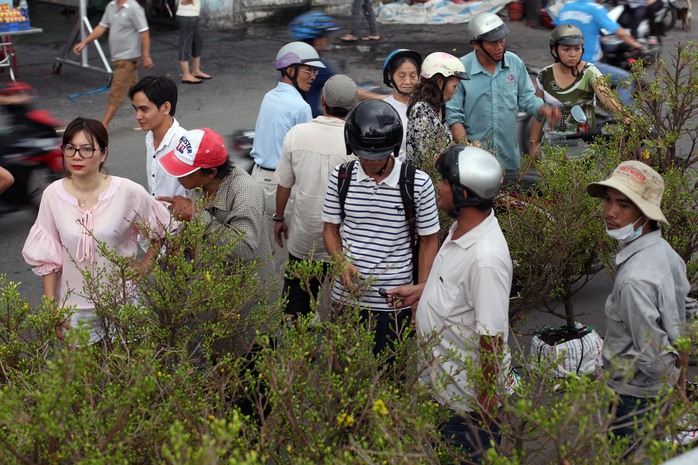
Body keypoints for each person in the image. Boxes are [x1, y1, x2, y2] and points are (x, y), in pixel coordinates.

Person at [387, 146, 512, 463]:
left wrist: (483, 415)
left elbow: (491, 340)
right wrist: (422, 292)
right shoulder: (461, 230)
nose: (437, 186)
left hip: (465, 412)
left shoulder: (486, 260)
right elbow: (457, 292)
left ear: (464, 192)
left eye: (444, 181)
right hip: (441, 393)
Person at [22, 118, 171, 344]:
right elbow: (48, 258)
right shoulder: (52, 194)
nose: (76, 156)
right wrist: (52, 307)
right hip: (75, 307)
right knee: (82, 376)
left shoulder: (128, 191)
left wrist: (144, 266)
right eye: (70, 148)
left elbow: (160, 229)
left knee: (129, 371)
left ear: (103, 154)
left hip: (123, 301)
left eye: (87, 149)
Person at [322, 99, 440, 355]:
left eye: (378, 155)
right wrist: (341, 262)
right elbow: (330, 230)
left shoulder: (417, 183)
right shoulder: (340, 177)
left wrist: (421, 294)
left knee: (390, 377)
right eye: (363, 155)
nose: (370, 161)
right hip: (345, 300)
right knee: (345, 376)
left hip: (394, 303)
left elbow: (429, 241)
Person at [587, 161, 690, 440]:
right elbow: (686, 315)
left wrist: (670, 386)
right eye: (608, 201)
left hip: (634, 397)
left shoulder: (634, 280)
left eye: (623, 205)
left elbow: (653, 355)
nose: (610, 212)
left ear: (645, 214)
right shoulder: (665, 252)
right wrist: (679, 384)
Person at [157, 128, 277, 355]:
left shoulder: (245, 192)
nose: (177, 177)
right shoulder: (199, 187)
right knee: (221, 367)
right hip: (218, 299)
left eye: (184, 172)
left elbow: (244, 248)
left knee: (249, 376)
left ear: (211, 172)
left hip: (248, 303)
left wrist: (196, 216)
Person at [274, 75, 359, 318]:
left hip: (304, 241)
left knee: (295, 310)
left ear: (322, 102)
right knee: (343, 310)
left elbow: (284, 184)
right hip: (343, 244)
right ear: (353, 107)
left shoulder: (297, 134)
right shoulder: (357, 140)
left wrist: (279, 218)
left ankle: (301, 354)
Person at [446, 12, 559, 175]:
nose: (500, 47)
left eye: (502, 40)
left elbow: (527, 99)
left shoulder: (514, 63)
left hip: (509, 160)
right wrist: (468, 150)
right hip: (475, 163)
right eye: (493, 43)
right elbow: (454, 116)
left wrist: (543, 109)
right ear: (476, 44)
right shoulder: (461, 69)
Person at [249, 41, 324, 278]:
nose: (313, 76)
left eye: (314, 71)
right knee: (283, 260)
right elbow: (301, 156)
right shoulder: (300, 107)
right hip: (280, 187)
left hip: (257, 180)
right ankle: (281, 313)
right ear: (290, 70)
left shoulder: (269, 96)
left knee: (264, 254)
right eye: (308, 70)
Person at [530, 24, 623, 160]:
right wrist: (533, 143)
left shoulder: (590, 72)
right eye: (566, 49)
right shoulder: (544, 76)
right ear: (554, 50)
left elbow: (608, 100)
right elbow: (538, 112)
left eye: (577, 49)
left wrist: (626, 117)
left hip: (584, 149)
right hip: (553, 150)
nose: (573, 54)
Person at [288, 11, 386, 118]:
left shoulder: (291, 60)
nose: (328, 40)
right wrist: (386, 98)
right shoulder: (318, 66)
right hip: (309, 121)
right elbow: (349, 91)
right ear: (318, 41)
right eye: (326, 37)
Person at [73, 0, 153, 129]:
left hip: (128, 59)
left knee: (116, 92)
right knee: (135, 92)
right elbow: (101, 27)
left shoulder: (133, 7)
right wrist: (85, 42)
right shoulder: (111, 6)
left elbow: (144, 32)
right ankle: (151, 119)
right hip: (118, 59)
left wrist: (146, 56)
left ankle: (103, 125)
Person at [556, 0, 645, 107]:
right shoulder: (595, 9)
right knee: (627, 79)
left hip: (562, 64)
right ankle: (619, 119)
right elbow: (619, 32)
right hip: (585, 65)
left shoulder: (566, 7)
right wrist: (636, 44)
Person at [406, 52, 469, 171]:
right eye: (454, 86)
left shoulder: (436, 109)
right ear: (440, 82)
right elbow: (429, 159)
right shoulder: (421, 111)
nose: (455, 92)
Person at [129, 76, 187, 198]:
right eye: (136, 109)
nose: (138, 116)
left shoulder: (184, 144)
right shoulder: (149, 139)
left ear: (166, 108)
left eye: (144, 109)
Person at [382, 49, 422, 162]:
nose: (408, 81)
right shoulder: (384, 109)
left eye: (413, 75)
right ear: (390, 76)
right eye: (401, 75)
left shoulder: (427, 107)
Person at [176, 0, 211, 84]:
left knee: (198, 42)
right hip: (186, 15)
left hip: (193, 15)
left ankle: (196, 71)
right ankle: (186, 75)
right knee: (185, 44)